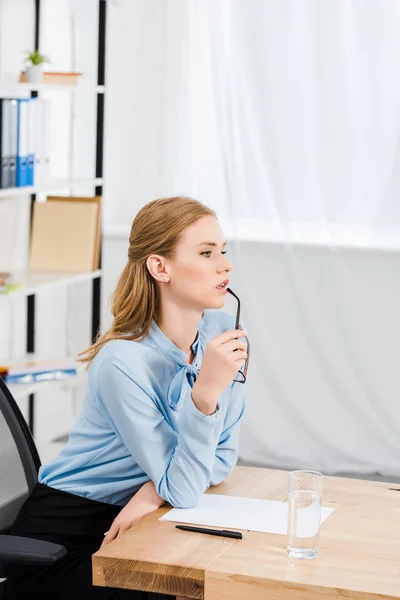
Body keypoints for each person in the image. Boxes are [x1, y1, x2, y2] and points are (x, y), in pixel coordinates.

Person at [3, 196, 248, 600]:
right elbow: (184, 488)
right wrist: (204, 397)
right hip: (64, 543)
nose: (225, 264)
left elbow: (220, 462)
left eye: (222, 251)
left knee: (232, 575)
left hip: (142, 519)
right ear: (159, 267)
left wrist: (152, 491)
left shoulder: (222, 335)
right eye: (206, 253)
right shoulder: (122, 361)